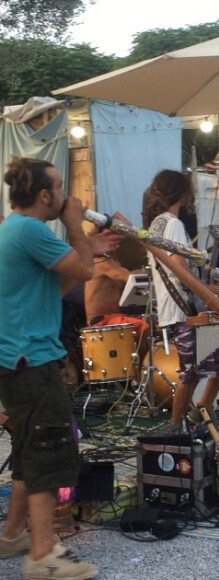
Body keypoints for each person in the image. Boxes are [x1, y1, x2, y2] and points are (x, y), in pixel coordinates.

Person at [0, 157, 99, 579]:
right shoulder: (30, 229)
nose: (65, 196)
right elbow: (85, 271)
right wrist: (76, 225)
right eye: (60, 188)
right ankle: (42, 556)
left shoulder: (15, 229)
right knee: (48, 449)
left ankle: (11, 536)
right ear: (45, 195)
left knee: (27, 451)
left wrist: (86, 242)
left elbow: (57, 286)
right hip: (31, 360)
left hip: (20, 358)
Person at [143, 169, 219, 424]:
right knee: (191, 373)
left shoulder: (157, 223)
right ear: (183, 193)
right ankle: (177, 426)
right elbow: (180, 269)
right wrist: (208, 292)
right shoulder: (173, 224)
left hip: (179, 307)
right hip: (185, 310)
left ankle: (202, 409)